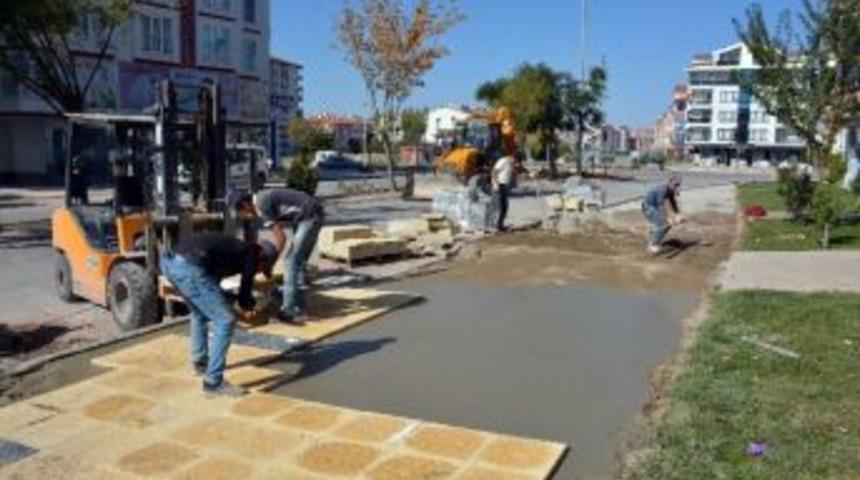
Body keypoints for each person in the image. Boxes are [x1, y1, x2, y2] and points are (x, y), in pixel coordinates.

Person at [160, 234, 277, 397]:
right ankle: (213, 382)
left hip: (169, 263)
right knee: (225, 320)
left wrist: (233, 301)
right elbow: (244, 294)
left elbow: (212, 287)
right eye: (262, 268)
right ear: (263, 258)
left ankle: (200, 363)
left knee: (199, 313)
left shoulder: (233, 249)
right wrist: (250, 309)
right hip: (189, 267)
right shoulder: (252, 253)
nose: (258, 272)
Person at [232, 188, 324, 325]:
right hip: (306, 214)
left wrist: (270, 263)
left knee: (291, 262)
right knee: (297, 263)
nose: (243, 216)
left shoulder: (261, 204)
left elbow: (281, 238)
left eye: (241, 212)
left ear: (245, 204)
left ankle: (289, 312)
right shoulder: (261, 200)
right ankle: (299, 308)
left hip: (310, 216)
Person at [642, 176, 684, 254]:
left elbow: (673, 202)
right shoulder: (662, 190)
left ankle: (654, 234)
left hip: (654, 207)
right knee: (665, 224)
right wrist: (667, 218)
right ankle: (653, 244)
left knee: (666, 224)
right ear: (669, 182)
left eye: (678, 185)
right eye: (675, 185)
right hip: (649, 207)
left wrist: (678, 214)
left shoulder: (670, 190)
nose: (676, 187)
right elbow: (661, 206)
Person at [492, 153, 517, 232]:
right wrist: (496, 184)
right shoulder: (503, 161)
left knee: (505, 206)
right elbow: (494, 172)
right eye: (515, 160)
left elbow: (512, 173)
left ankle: (500, 224)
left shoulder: (511, 164)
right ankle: (498, 225)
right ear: (511, 157)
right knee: (502, 206)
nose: (515, 163)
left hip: (505, 185)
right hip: (500, 185)